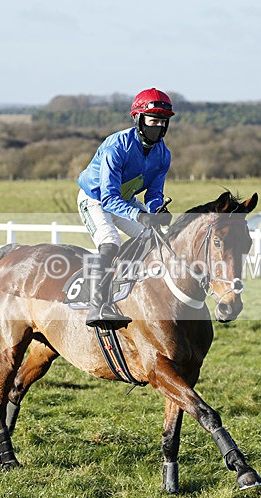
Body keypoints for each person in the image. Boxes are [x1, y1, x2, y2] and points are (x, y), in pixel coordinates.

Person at [76, 88, 174, 330]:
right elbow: (109, 199)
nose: (159, 127)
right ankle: (98, 305)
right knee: (110, 241)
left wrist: (156, 210)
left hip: (126, 198)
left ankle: (136, 290)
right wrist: (140, 215)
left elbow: (153, 193)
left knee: (155, 237)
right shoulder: (116, 148)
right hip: (96, 199)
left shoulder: (163, 154)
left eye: (163, 122)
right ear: (138, 119)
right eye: (153, 121)